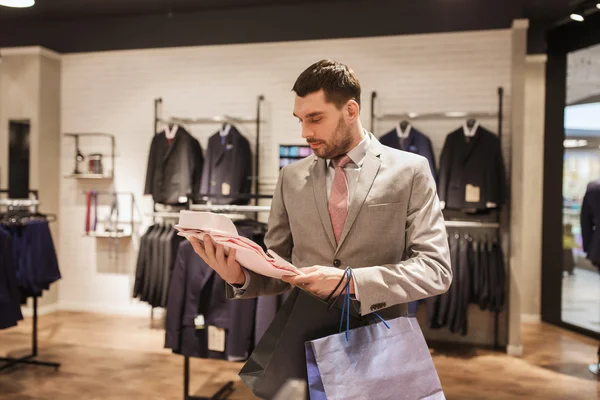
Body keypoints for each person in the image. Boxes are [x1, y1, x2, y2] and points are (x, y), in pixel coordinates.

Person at [191, 59, 452, 318]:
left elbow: (435, 269)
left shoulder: (410, 170)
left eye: (315, 119)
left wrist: (351, 281)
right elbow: (279, 269)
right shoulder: (290, 178)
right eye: (300, 120)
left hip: (381, 336)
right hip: (302, 334)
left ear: (350, 111)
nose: (305, 132)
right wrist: (238, 276)